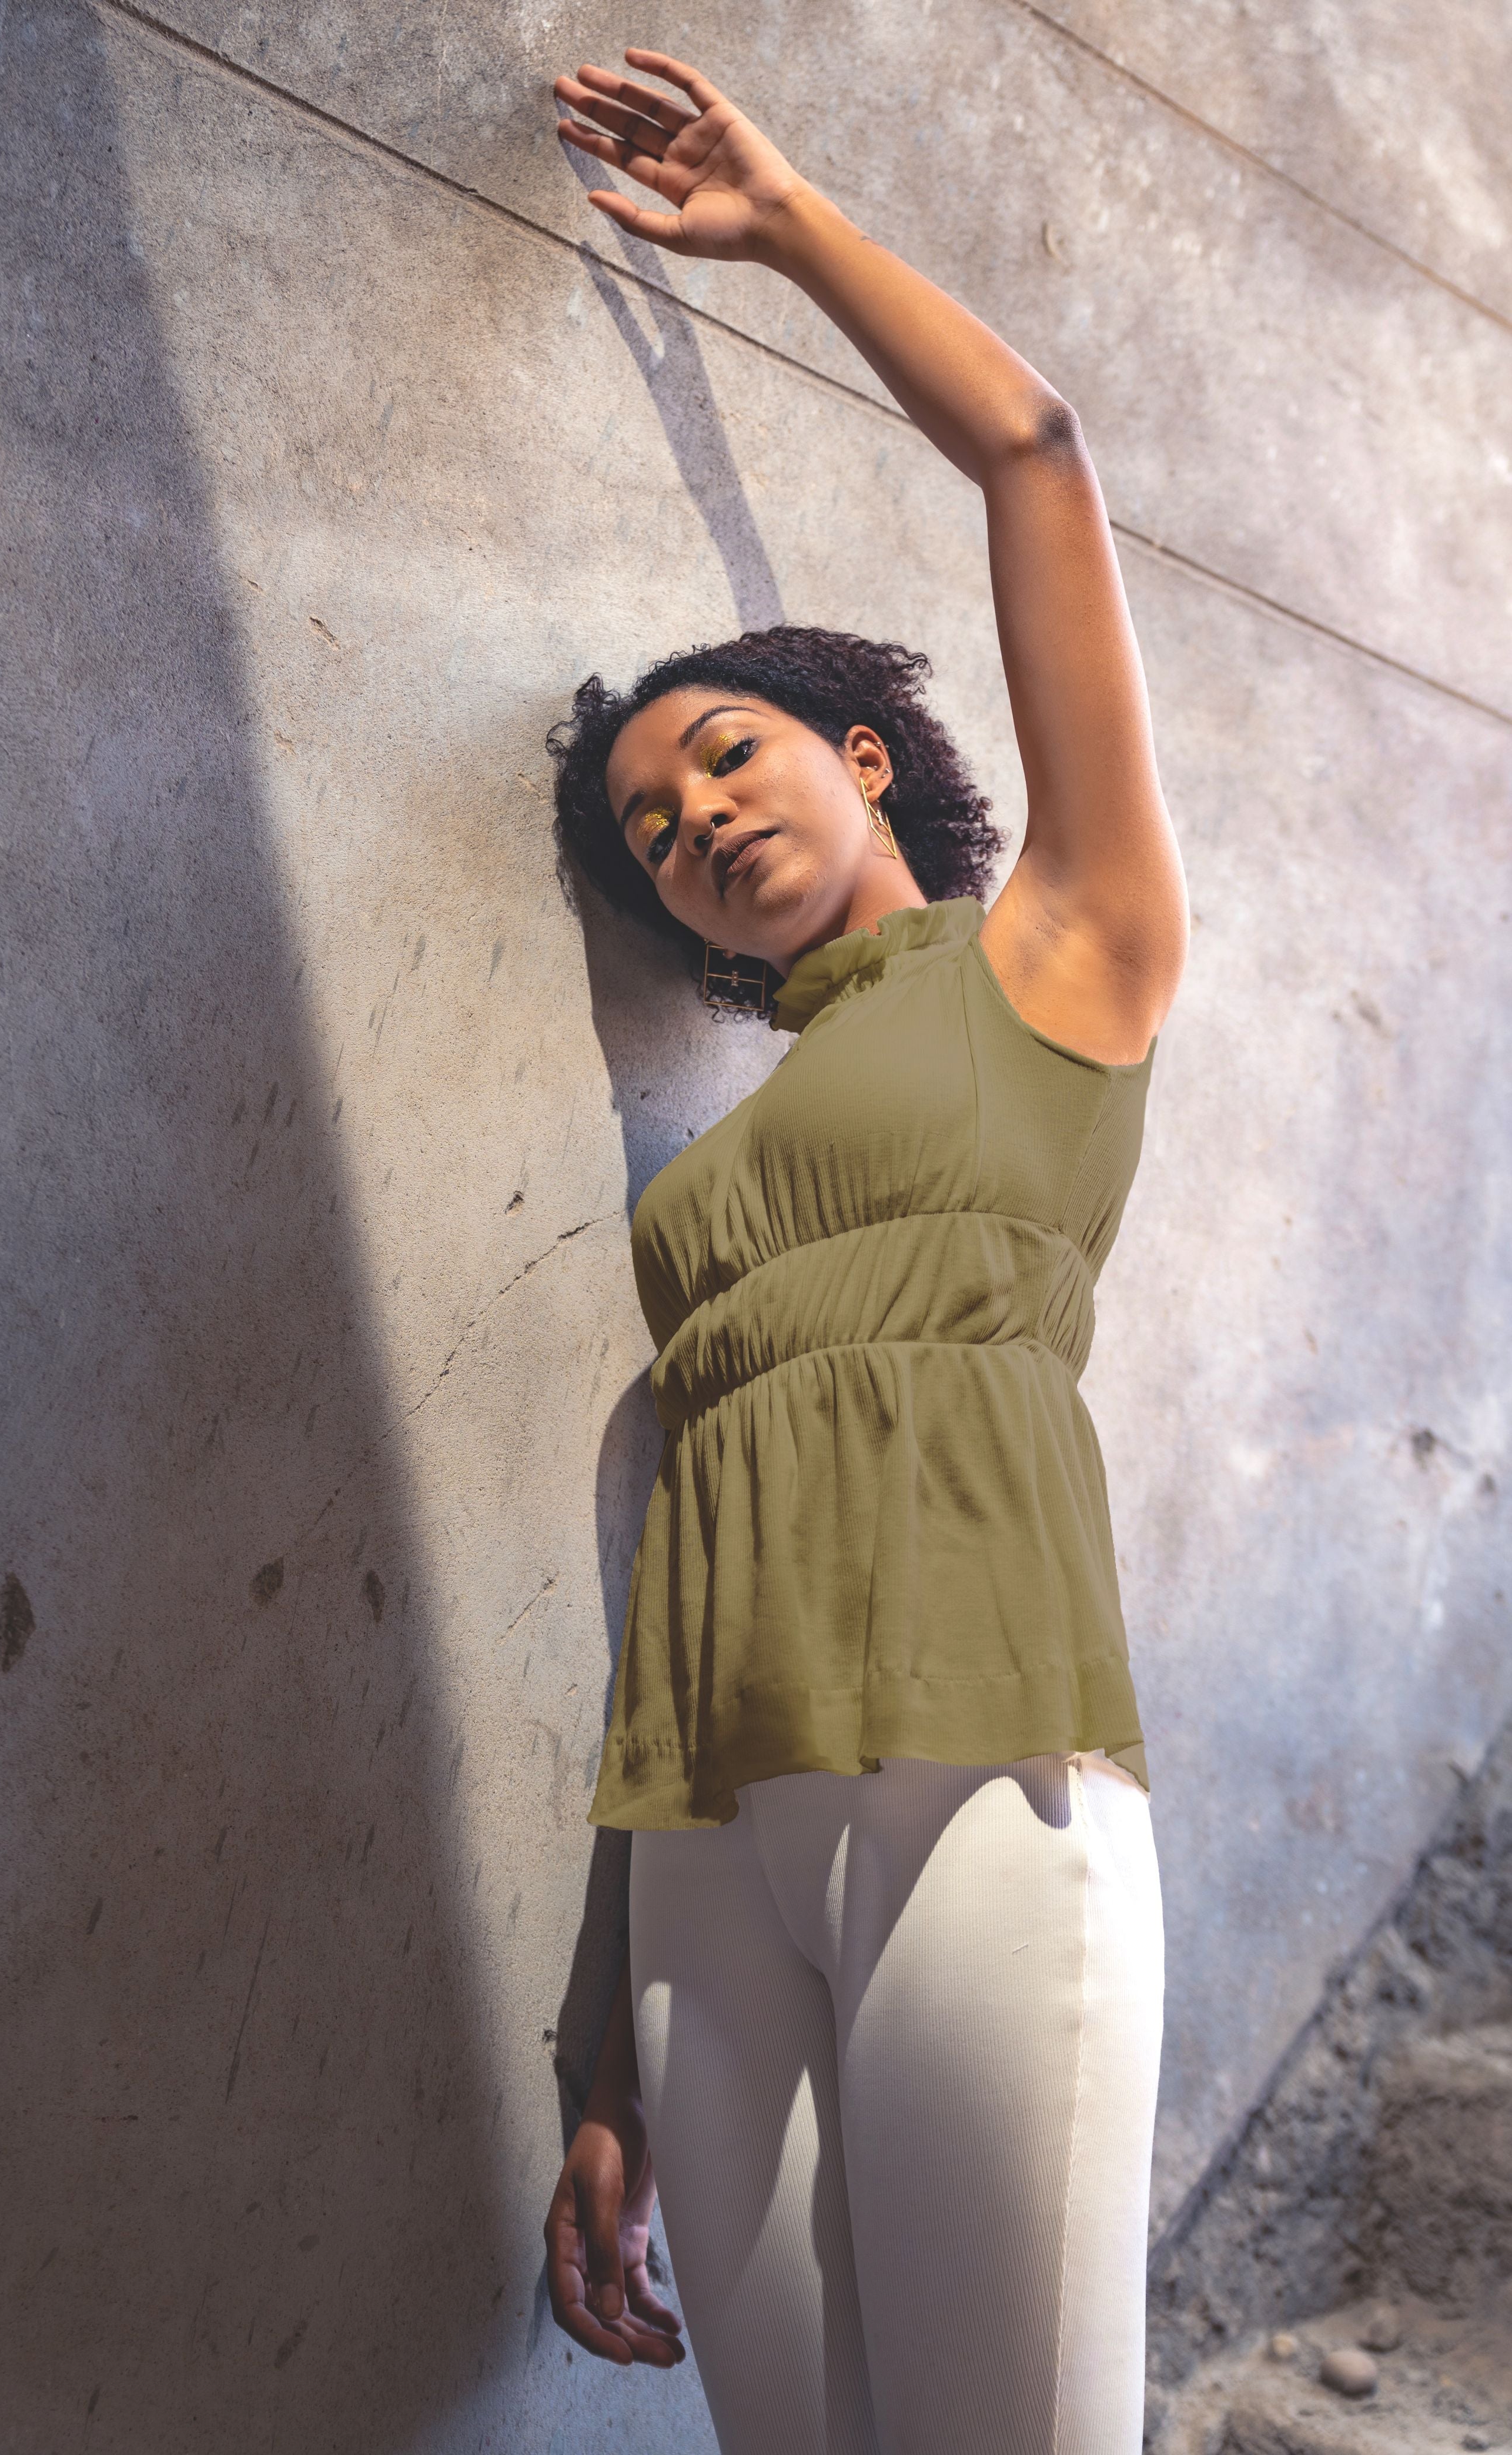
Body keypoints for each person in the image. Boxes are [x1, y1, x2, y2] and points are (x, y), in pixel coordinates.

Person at [541, 48, 1188, 2455]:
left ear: (864, 754)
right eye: (651, 828)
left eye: (728, 754)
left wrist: (790, 221)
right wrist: (595, 2053)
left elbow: (1037, 457)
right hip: (706, 1860)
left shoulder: (1060, 963)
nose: (696, 815)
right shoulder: (716, 1188)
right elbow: (666, 1590)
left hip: (977, 1777)